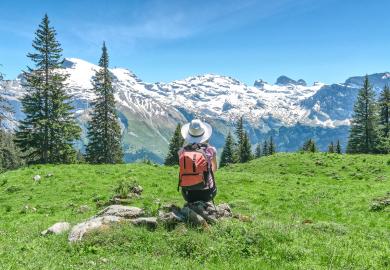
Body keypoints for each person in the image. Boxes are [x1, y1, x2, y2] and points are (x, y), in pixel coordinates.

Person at [178, 119, 217, 203]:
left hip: (188, 194)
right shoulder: (210, 150)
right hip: (207, 194)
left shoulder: (182, 151)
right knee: (210, 178)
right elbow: (214, 169)